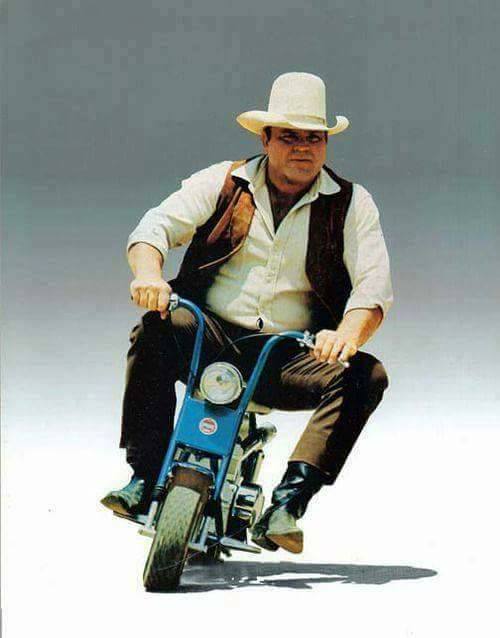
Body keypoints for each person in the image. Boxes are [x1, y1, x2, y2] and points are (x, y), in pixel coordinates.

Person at [101, 72, 394, 554]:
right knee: (153, 329)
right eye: (290, 137)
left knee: (367, 375)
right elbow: (155, 228)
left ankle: (288, 504)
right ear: (266, 138)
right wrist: (149, 276)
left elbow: (374, 284)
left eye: (314, 138)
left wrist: (347, 334)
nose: (303, 149)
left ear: (326, 144)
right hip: (207, 333)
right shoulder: (223, 180)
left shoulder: (352, 203)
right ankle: (143, 476)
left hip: (287, 353)